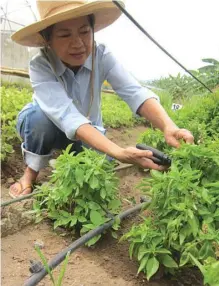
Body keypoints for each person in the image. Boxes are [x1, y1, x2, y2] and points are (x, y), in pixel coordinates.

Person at [9, 0, 194, 198]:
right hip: (50, 128)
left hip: (90, 130)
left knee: (102, 167)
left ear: (93, 30)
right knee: (36, 118)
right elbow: (67, 116)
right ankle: (30, 173)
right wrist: (119, 152)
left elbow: (134, 92)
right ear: (48, 40)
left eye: (84, 31)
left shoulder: (102, 56)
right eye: (64, 35)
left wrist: (168, 125)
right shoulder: (41, 65)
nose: (78, 43)